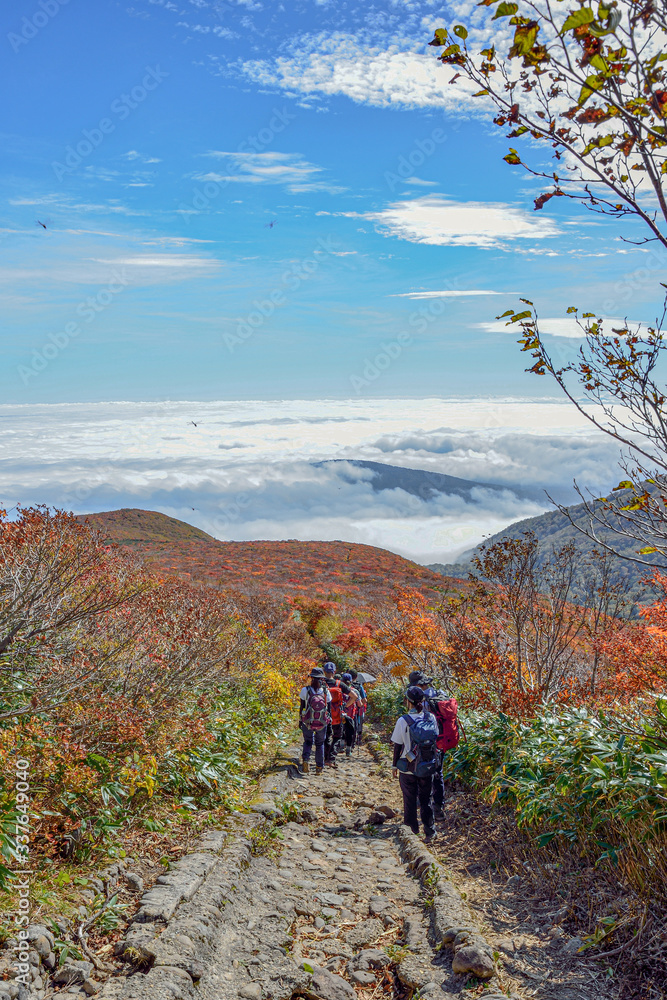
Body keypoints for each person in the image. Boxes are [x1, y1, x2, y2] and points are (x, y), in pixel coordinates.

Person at [391, 685, 437, 842]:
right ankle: (430, 831)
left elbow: (397, 745)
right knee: (426, 799)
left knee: (409, 799)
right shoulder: (431, 718)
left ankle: (412, 831)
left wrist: (394, 765)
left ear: (408, 701)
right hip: (426, 765)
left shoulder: (403, 720)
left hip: (408, 766)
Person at [299, 667, 331, 775]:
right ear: (322, 679)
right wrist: (328, 722)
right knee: (320, 743)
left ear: (311, 678)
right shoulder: (326, 691)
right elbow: (328, 708)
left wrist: (300, 720)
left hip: (308, 721)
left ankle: (306, 760)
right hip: (322, 722)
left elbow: (302, 707)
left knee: (308, 741)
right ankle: (319, 768)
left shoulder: (305, 690)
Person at [324, 663, 344, 767]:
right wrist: (344, 707)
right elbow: (354, 696)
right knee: (337, 736)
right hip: (336, 716)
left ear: (324, 672)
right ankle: (331, 759)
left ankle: (325, 758)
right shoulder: (339, 684)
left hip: (324, 716)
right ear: (334, 672)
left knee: (326, 737)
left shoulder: (321, 683)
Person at [340, 672, 359, 757]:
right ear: (351, 681)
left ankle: (341, 746)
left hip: (340, 714)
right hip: (351, 715)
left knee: (341, 729)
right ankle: (348, 749)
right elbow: (359, 704)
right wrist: (348, 705)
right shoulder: (354, 691)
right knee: (350, 731)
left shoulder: (339, 690)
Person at [348, 669, 367, 746]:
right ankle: (354, 741)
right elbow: (364, 700)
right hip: (356, 710)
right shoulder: (359, 686)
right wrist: (360, 704)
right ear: (356, 677)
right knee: (356, 725)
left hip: (345, 710)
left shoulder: (345, 685)